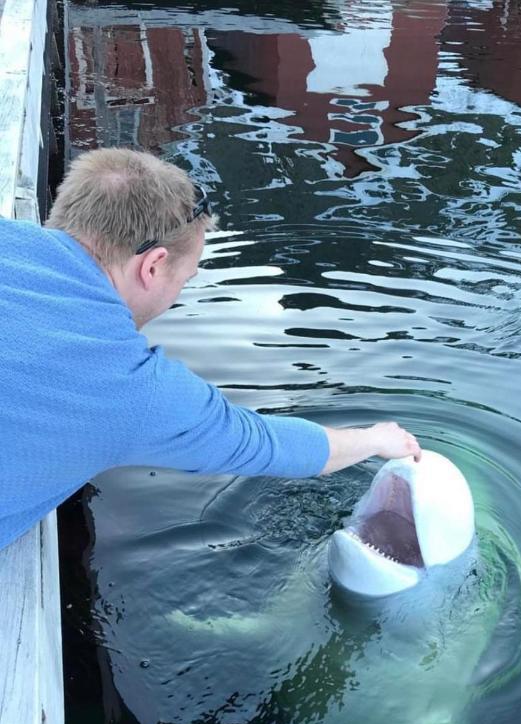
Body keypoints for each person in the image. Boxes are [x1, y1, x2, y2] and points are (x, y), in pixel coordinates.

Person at [0, 148, 421, 550]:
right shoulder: (127, 388)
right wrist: (373, 439)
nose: (176, 295)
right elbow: (263, 443)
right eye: (183, 280)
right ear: (152, 266)